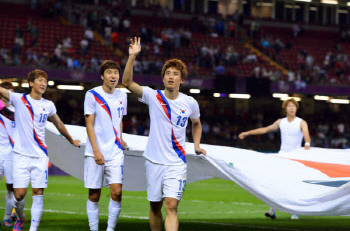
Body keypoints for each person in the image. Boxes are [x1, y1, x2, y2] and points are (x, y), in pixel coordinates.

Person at [122, 37, 206, 231]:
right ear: (163, 78)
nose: (170, 76)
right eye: (167, 73)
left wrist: (196, 145)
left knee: (171, 205)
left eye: (175, 74)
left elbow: (197, 123)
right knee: (154, 205)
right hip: (153, 161)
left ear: (182, 80)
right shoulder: (153, 96)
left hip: (176, 163)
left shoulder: (190, 103)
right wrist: (132, 56)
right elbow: (126, 82)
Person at [0, 69, 80, 231]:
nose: (43, 83)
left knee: (38, 193)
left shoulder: (48, 105)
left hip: (40, 156)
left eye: (45, 81)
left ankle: (33, 229)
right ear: (31, 83)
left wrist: (71, 140)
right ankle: (21, 217)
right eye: (40, 80)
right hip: (20, 157)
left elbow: (58, 124)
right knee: (19, 195)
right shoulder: (19, 99)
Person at [239, 98, 311, 220]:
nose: (292, 108)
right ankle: (272, 210)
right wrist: (248, 133)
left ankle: (295, 212)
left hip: (295, 158)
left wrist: (307, 144)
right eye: (289, 106)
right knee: (276, 184)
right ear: (285, 109)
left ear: (296, 109)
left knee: (293, 185)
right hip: (282, 156)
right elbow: (265, 129)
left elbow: (306, 135)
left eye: (294, 106)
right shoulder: (280, 122)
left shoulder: (301, 122)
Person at [84, 60, 128, 231]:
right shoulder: (92, 94)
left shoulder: (122, 96)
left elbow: (119, 120)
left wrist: (121, 138)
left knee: (117, 192)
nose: (113, 76)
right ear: (102, 76)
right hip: (96, 151)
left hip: (115, 151)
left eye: (116, 73)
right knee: (94, 195)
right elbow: (89, 124)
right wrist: (96, 150)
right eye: (109, 72)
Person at [0, 82, 17, 227]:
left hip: (11, 154)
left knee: (11, 188)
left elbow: (11, 116)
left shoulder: (17, 111)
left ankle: (7, 217)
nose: (9, 95)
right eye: (7, 92)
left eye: (12, 92)